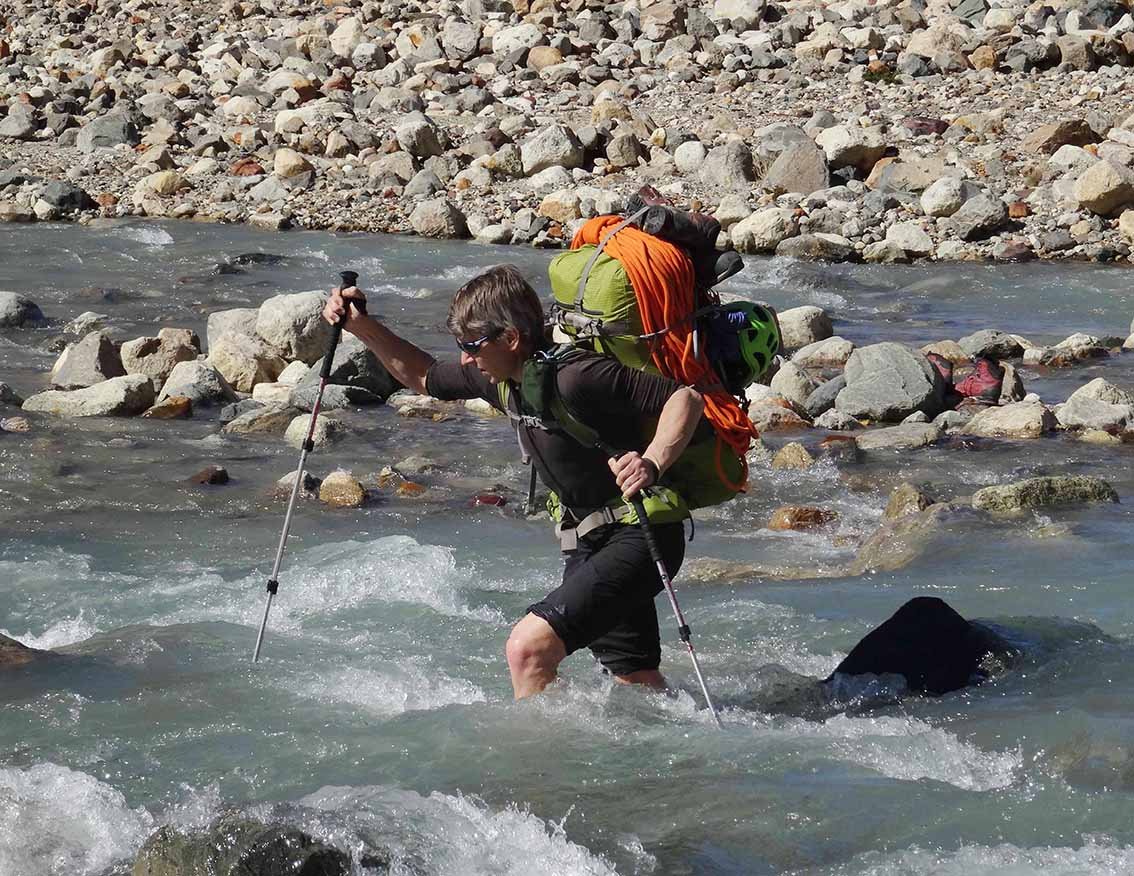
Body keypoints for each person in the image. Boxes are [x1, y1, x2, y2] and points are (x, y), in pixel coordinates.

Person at [323, 264, 705, 699]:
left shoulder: (577, 376)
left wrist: (651, 461)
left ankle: (541, 747)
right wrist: (361, 326)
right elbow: (424, 376)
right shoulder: (502, 378)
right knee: (635, 679)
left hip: (641, 534)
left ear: (510, 338)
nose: (466, 359)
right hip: (589, 537)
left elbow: (685, 398)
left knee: (528, 650)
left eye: (472, 346)